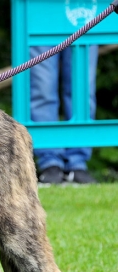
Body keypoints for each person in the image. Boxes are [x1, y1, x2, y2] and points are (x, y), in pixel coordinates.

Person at [30, 45, 98, 184]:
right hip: (42, 23)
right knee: (43, 89)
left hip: (84, 23)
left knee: (83, 91)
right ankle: (50, 164)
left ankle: (77, 165)